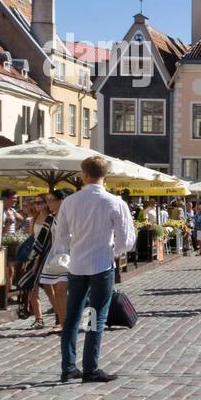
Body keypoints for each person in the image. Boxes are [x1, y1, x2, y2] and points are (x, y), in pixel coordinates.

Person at [50, 156, 136, 383]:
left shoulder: (70, 202)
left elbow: (61, 237)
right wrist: (113, 251)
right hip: (101, 265)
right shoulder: (114, 202)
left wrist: (75, 247)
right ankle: (90, 367)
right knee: (95, 316)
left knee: (71, 316)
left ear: (84, 174)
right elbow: (127, 239)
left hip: (77, 265)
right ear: (104, 176)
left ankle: (68, 367)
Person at [14, 192, 58, 330]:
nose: (37, 205)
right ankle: (39, 319)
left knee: (49, 289)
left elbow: (53, 239)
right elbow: (32, 239)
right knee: (31, 288)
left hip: (47, 256)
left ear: (47, 203)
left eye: (40, 202)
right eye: (36, 203)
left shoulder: (52, 219)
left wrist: (40, 258)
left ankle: (59, 317)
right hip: (34, 256)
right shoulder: (34, 218)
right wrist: (29, 258)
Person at [36, 190, 71, 332]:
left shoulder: (71, 216)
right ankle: (64, 324)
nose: (48, 203)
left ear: (61, 201)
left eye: (51, 200)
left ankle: (67, 324)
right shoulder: (51, 218)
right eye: (47, 200)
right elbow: (42, 239)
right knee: (55, 289)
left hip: (70, 256)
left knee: (62, 290)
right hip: (56, 256)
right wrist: (35, 257)